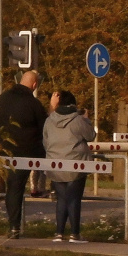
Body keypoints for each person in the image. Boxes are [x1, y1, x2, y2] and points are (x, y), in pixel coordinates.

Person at [0, 69, 48, 238]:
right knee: (16, 188)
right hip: (26, 151)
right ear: (34, 85)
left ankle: (14, 225)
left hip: (5, 149)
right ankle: (14, 226)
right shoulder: (33, 104)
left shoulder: (2, 99)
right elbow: (44, 128)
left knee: (12, 187)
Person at [42, 90, 96, 243]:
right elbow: (90, 136)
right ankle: (75, 234)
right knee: (74, 199)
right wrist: (87, 120)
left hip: (54, 165)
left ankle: (58, 233)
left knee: (62, 199)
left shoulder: (49, 120)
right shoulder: (78, 120)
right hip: (75, 164)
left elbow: (45, 142)